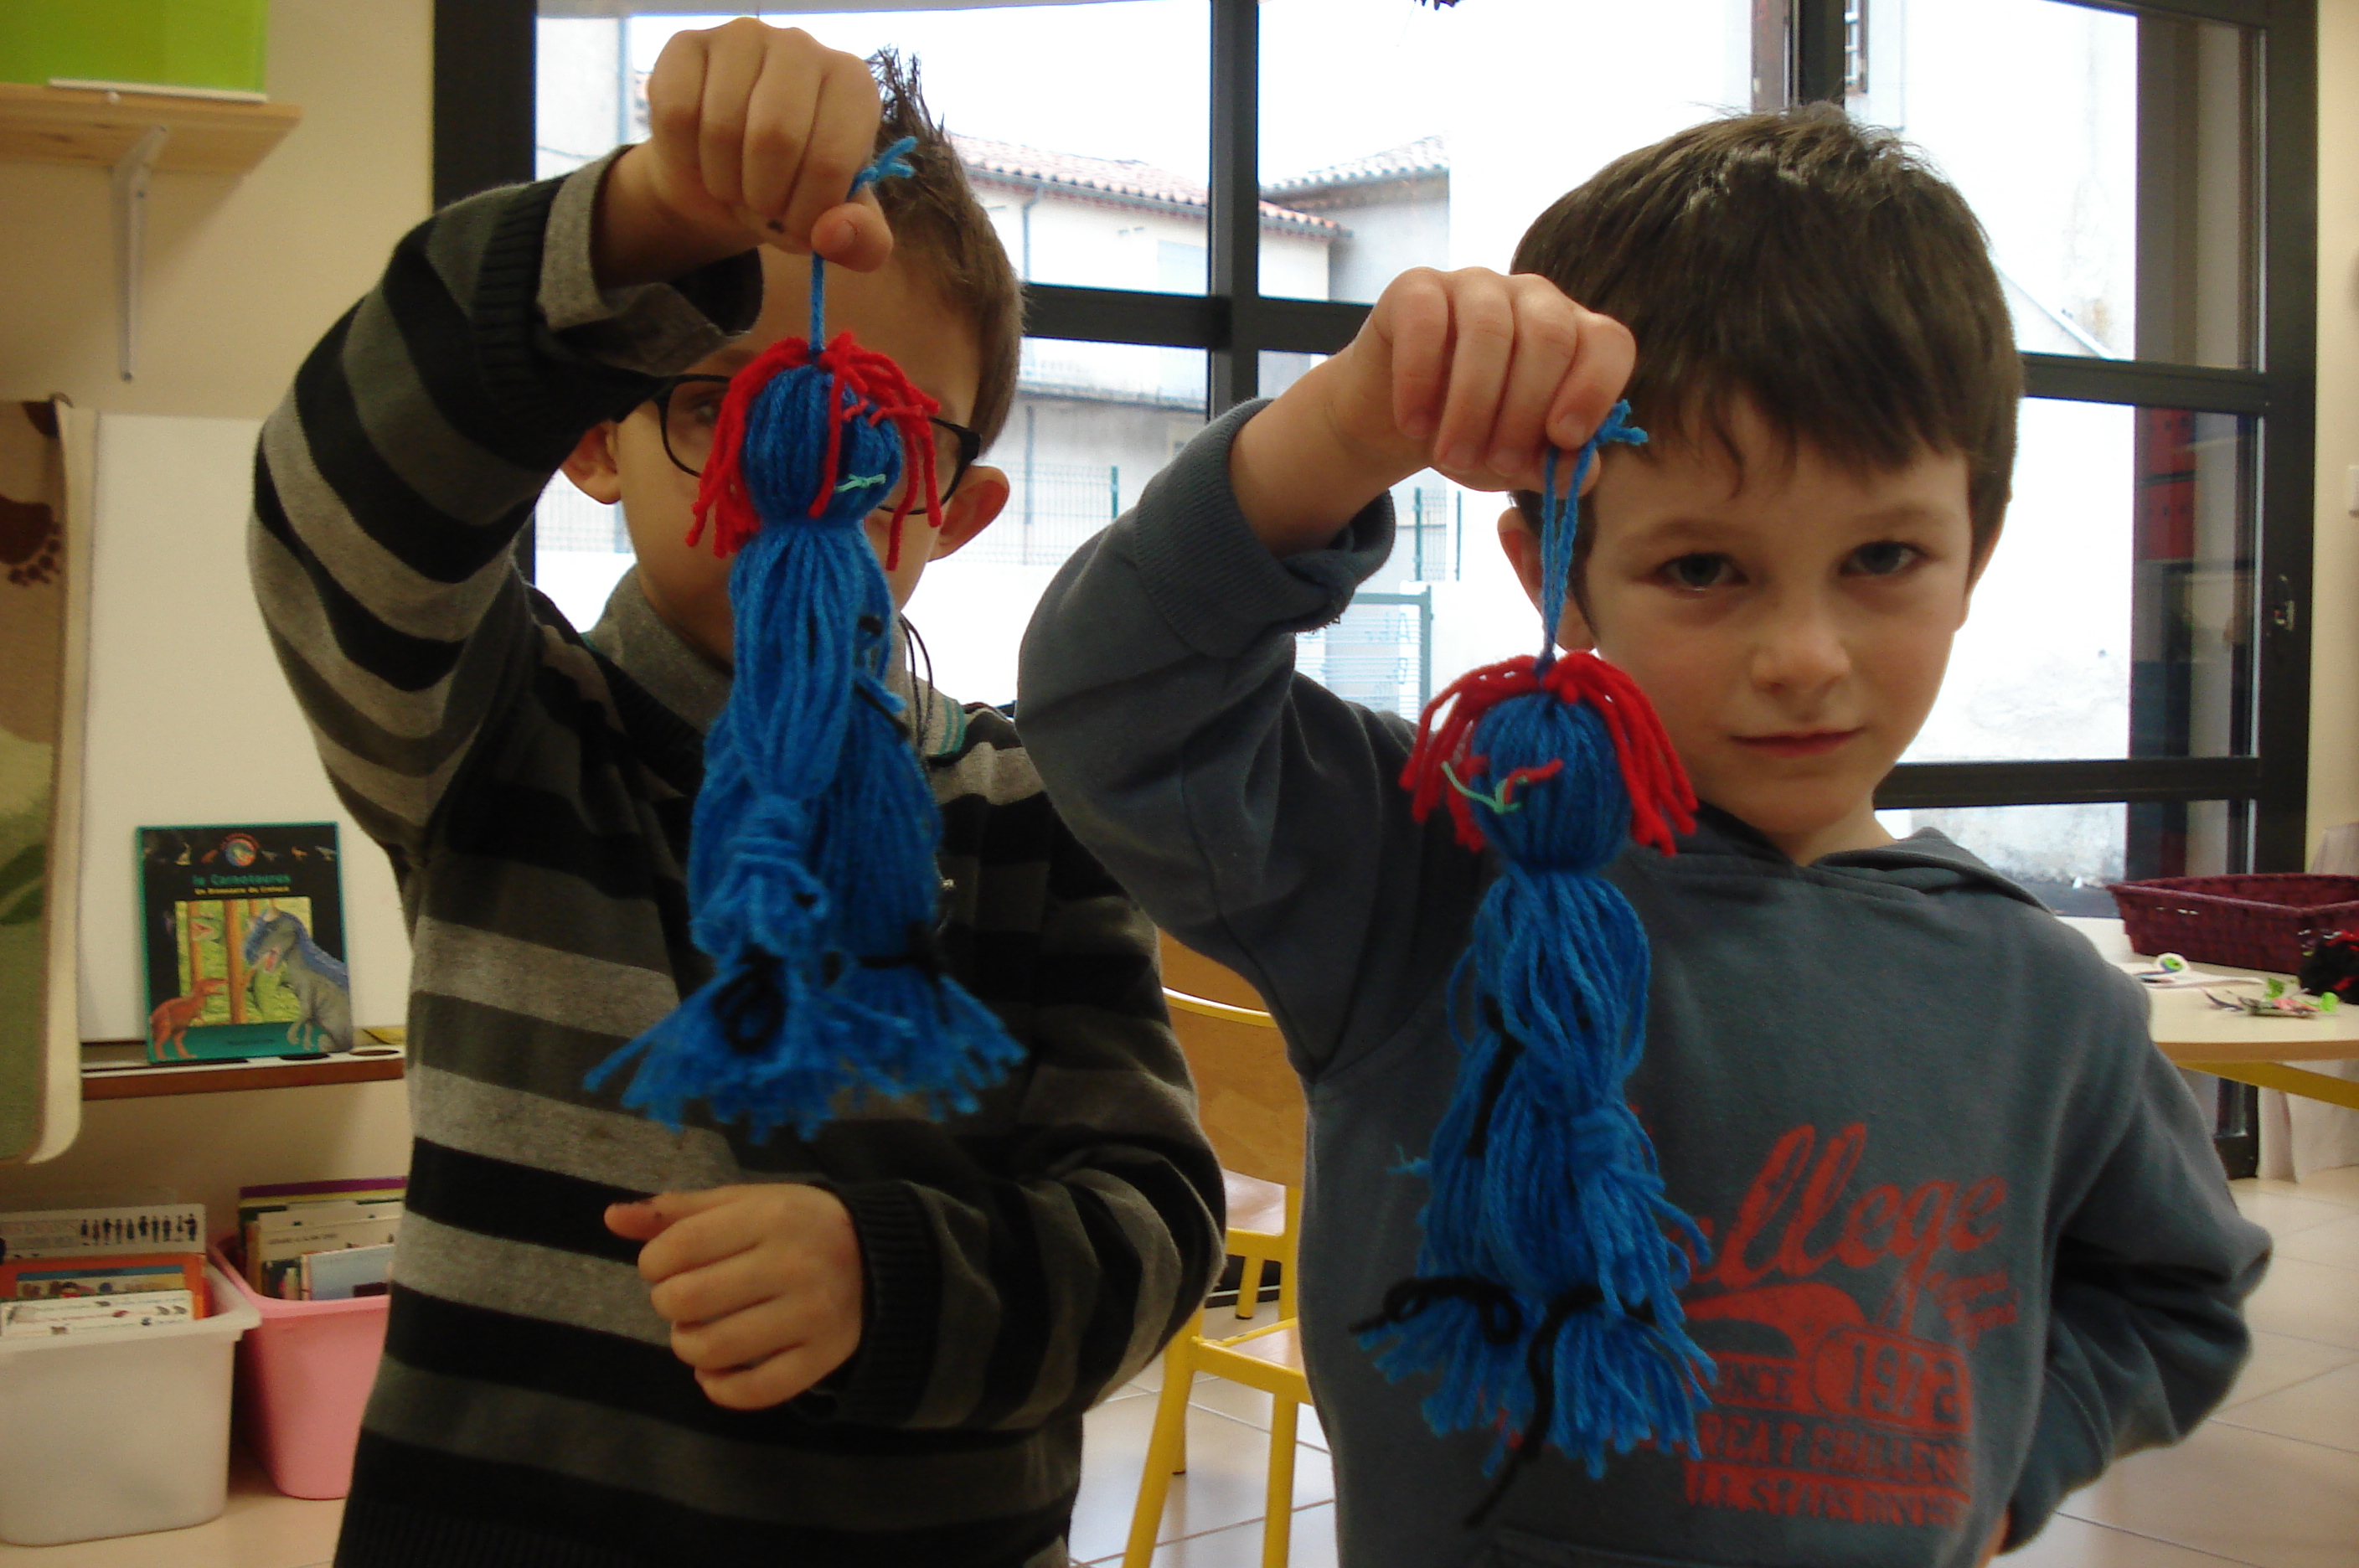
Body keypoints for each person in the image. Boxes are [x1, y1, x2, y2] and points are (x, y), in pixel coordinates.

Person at [1019, 106, 2271, 1568]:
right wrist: (1346, 429)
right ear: (1561, 571)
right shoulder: (1431, 885)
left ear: (1974, 553)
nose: (1804, 654)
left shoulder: (2047, 1001)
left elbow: (2179, 1290)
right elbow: (1118, 701)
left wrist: (2016, 1457)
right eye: (1702, 568)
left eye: (1883, 557)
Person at [250, 22, 1221, 1568]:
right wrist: (644, 220)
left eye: (871, 439)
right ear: (596, 441)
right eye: (727, 406)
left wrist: (890, 1283)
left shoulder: (1027, 807)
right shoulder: (498, 730)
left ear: (955, 514)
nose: (795, 485)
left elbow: (1157, 1218)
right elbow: (343, 491)